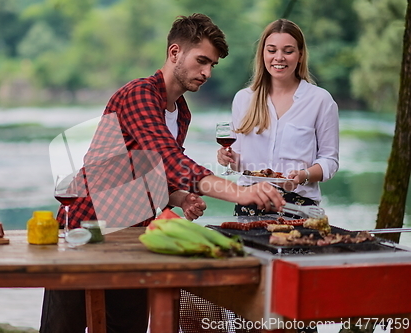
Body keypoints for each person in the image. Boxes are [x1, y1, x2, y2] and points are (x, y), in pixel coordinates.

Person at [40, 13, 285, 333]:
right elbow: (168, 159)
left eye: (212, 65)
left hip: (132, 234)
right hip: (86, 229)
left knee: (127, 327)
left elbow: (151, 172)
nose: (207, 72)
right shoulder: (140, 94)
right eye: (201, 61)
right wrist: (244, 192)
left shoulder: (181, 112)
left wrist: (180, 197)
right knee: (61, 329)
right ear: (174, 53)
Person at [217, 18, 339, 217]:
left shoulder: (320, 100)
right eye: (272, 50)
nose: (279, 58)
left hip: (299, 207)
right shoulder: (243, 99)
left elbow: (330, 161)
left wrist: (304, 175)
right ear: (262, 53)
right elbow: (238, 162)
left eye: (288, 51)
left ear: (300, 55)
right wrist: (227, 158)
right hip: (249, 203)